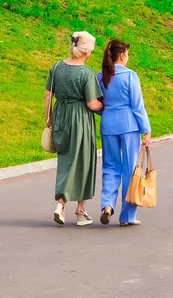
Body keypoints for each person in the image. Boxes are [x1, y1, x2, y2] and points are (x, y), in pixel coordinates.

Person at [45, 31, 103, 226]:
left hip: (61, 115)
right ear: (86, 52)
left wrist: (49, 119)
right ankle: (79, 209)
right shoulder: (86, 73)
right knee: (84, 161)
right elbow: (92, 104)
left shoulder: (56, 67)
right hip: (80, 119)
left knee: (66, 161)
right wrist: (108, 108)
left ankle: (62, 205)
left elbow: (47, 95)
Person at [97, 39, 151, 227]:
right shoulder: (130, 76)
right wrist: (147, 129)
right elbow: (137, 106)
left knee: (110, 167)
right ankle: (127, 216)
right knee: (130, 170)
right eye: (127, 54)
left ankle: (107, 204)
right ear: (122, 55)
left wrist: (106, 111)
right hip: (129, 126)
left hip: (108, 125)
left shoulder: (101, 77)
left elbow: (97, 103)